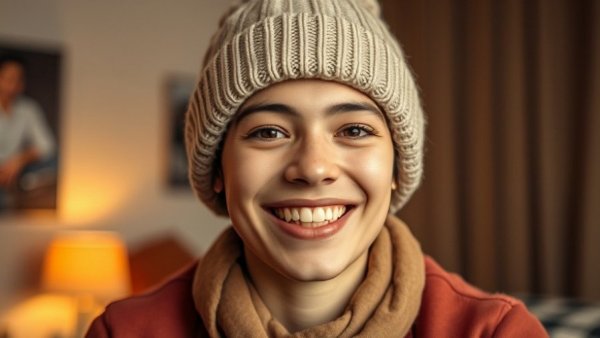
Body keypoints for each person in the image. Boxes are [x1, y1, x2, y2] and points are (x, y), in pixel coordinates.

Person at [87, 0, 548, 336]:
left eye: (353, 130)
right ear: (217, 171)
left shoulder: (493, 333)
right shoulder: (124, 332)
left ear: (395, 166)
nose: (312, 168)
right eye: (268, 132)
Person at [0, 54, 56, 208]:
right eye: (8, 79)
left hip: (17, 170)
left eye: (18, 79)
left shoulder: (27, 109)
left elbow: (47, 145)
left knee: (53, 162)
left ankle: (23, 186)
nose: (13, 85)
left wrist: (19, 160)